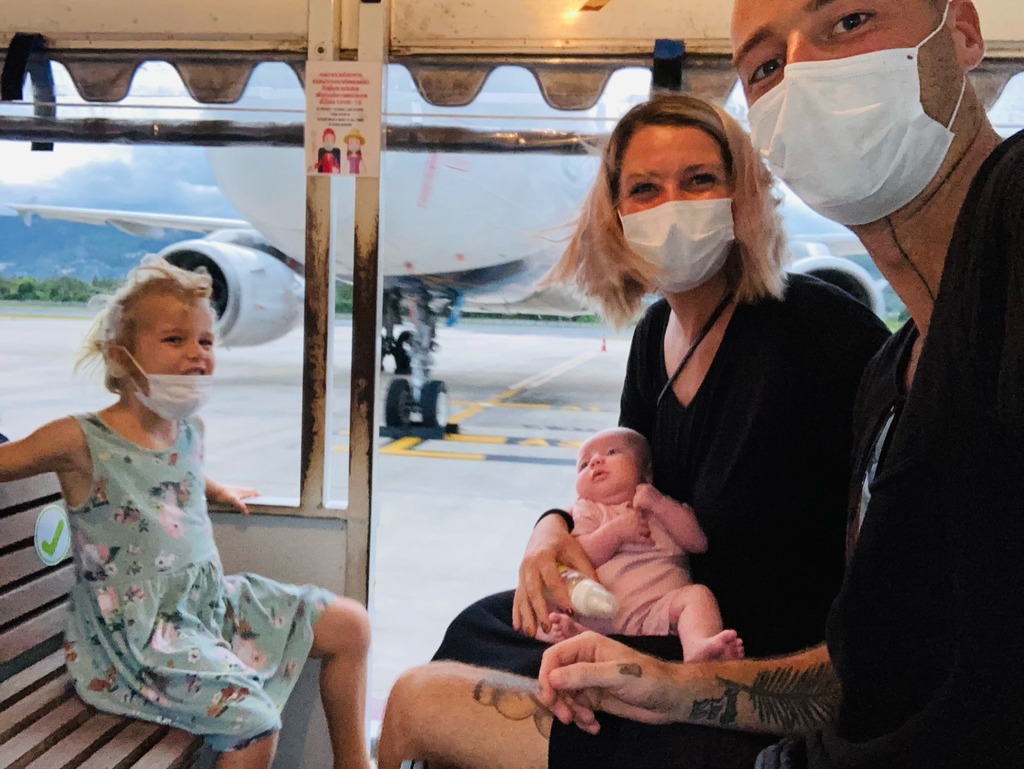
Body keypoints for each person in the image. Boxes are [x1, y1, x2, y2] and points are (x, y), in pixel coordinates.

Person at [376, 92, 890, 769]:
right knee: (480, 623)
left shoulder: (823, 333)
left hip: (747, 668)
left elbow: (887, 585)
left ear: (744, 195)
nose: (672, 204)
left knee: (419, 700)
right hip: (659, 625)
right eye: (645, 188)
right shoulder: (655, 338)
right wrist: (551, 527)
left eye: (699, 180)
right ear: (616, 218)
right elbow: (623, 478)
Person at [0, 257, 372, 769]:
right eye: (175, 340)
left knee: (350, 625)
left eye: (206, 341)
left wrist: (212, 487)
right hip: (136, 638)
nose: (197, 354)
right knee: (255, 722)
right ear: (122, 356)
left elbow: (172, 477)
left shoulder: (189, 429)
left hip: (205, 603)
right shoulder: (80, 439)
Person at [535, 426, 744, 664]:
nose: (595, 462)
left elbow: (698, 543)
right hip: (596, 613)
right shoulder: (588, 510)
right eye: (583, 465)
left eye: (612, 452)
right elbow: (581, 557)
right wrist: (614, 533)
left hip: (658, 612)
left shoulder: (662, 506)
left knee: (698, 596)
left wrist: (659, 504)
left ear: (646, 475)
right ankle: (577, 636)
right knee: (550, 599)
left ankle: (697, 648)